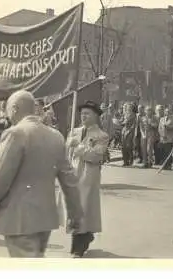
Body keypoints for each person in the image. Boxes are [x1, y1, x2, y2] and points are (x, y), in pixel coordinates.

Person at [0, 90, 83, 258]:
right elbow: (70, 180)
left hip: (19, 219)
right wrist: (75, 213)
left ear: (15, 109)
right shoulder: (56, 136)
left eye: (8, 110)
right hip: (44, 219)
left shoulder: (15, 133)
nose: (8, 115)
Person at [64, 100, 109, 258]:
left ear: (96, 116)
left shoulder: (101, 136)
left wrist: (79, 147)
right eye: (82, 113)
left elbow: (96, 156)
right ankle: (84, 237)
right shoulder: (74, 131)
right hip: (73, 175)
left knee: (84, 209)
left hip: (88, 176)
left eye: (87, 113)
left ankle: (79, 246)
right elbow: (67, 154)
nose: (83, 116)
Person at [121, 103, 137, 167]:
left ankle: (130, 161)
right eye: (127, 107)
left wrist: (130, 130)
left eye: (130, 107)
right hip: (124, 131)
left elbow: (133, 125)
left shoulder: (133, 115)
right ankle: (125, 161)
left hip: (130, 131)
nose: (128, 108)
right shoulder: (125, 114)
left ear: (132, 108)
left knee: (129, 147)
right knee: (123, 147)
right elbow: (122, 121)